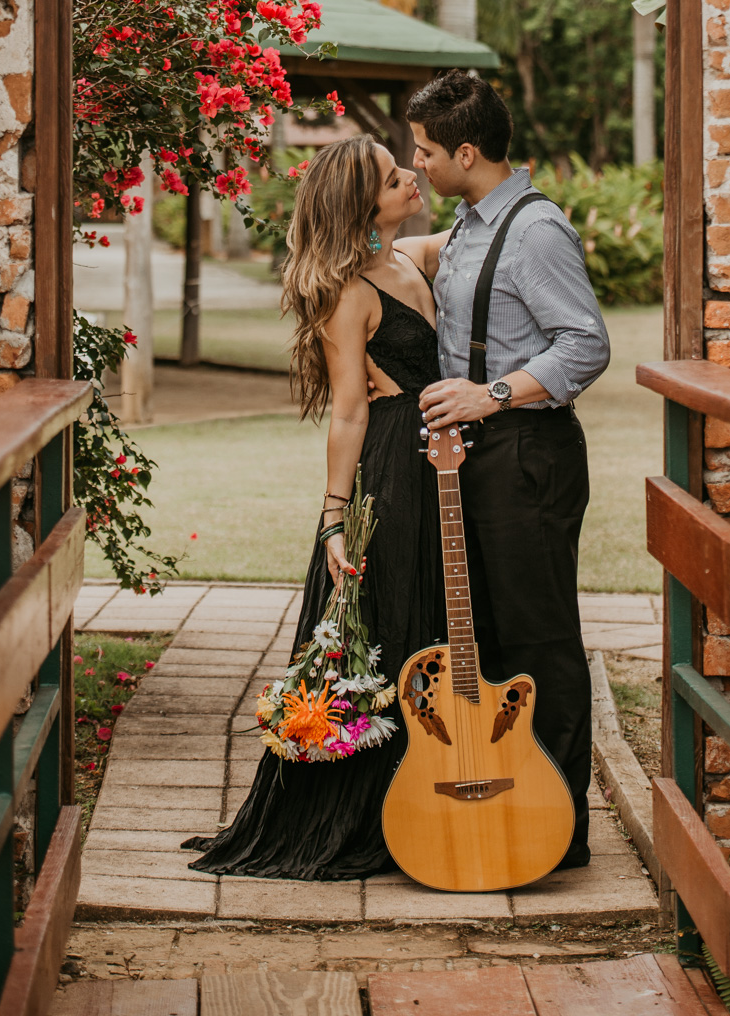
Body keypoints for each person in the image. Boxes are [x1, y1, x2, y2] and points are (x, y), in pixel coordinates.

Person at [182, 134, 447, 879]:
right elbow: (349, 413)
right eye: (397, 178)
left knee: (428, 617)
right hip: (390, 468)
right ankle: (357, 812)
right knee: (384, 623)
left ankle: (421, 796)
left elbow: (481, 228)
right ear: (365, 203)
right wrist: (334, 517)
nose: (411, 180)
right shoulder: (350, 293)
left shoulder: (411, 258)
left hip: (438, 463)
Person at [405, 70, 610, 868]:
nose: (415, 162)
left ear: (466, 150)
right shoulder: (468, 223)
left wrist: (489, 395)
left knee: (540, 643)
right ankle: (500, 808)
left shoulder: (534, 231)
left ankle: (560, 831)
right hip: (477, 459)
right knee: (483, 643)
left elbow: (586, 345)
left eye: (424, 150)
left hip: (529, 456)